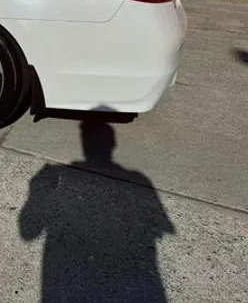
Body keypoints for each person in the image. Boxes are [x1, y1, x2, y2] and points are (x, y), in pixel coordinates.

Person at [19, 121, 175, 303]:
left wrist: (38, 191)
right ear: (113, 145)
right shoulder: (139, 179)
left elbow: (28, 232)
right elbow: (162, 227)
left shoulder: (60, 174)